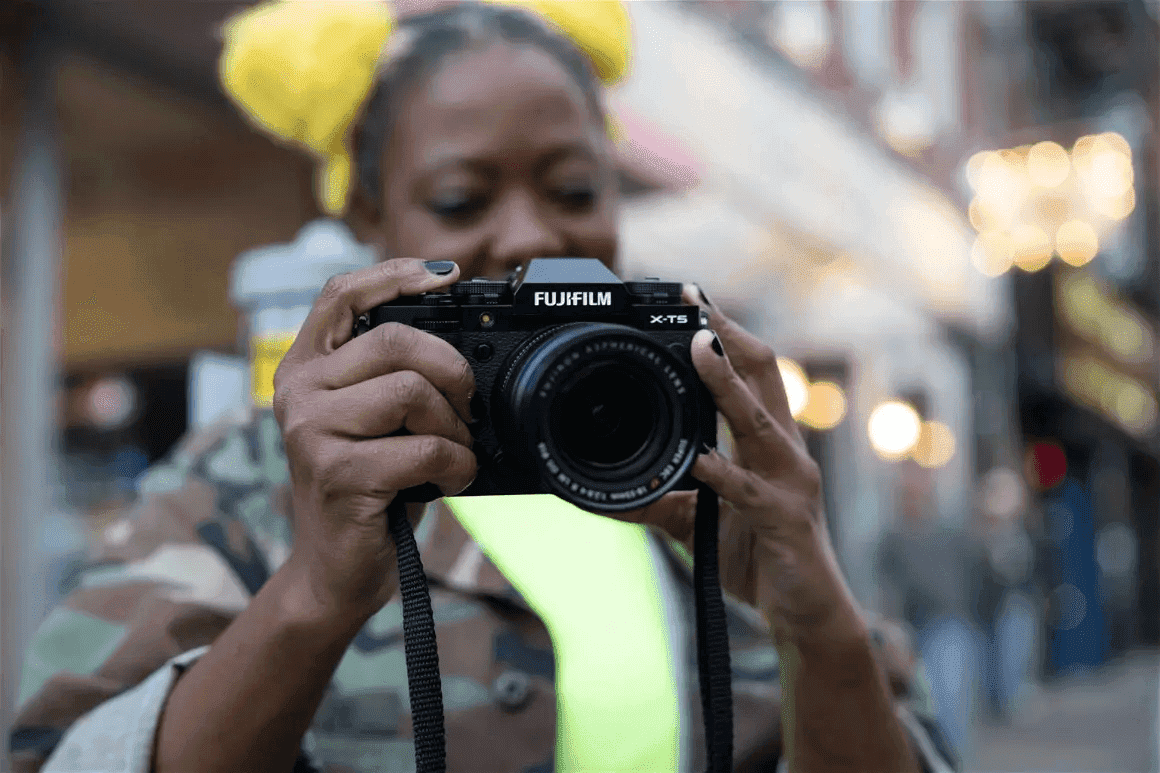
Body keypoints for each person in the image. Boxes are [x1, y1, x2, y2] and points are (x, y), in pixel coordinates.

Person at [10, 2, 957, 772]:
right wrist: (312, 594)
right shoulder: (253, 478)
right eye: (461, 200)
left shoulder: (702, 458)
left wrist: (814, 616)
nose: (530, 235)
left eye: (577, 190)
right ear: (365, 213)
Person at [877, 461, 987, 767]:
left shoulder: (950, 531)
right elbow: (887, 588)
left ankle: (950, 763)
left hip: (948, 626)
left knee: (950, 711)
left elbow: (976, 572)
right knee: (921, 712)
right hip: (911, 632)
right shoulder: (893, 536)